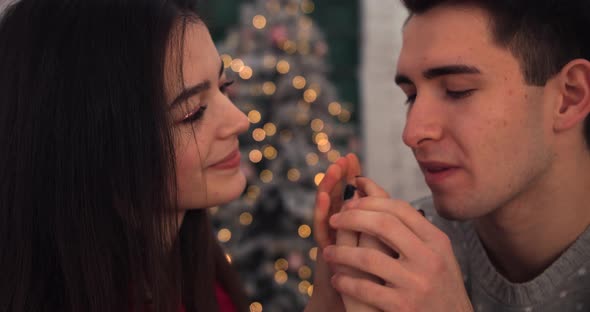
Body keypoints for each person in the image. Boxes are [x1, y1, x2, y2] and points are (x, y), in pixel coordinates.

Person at [0, 1, 339, 311]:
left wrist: (327, 297)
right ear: (93, 148)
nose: (239, 120)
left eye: (223, 87)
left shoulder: (195, 273)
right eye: (193, 112)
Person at [312, 0, 590, 311]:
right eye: (411, 97)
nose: (412, 133)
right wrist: (329, 298)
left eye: (458, 91)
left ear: (569, 96)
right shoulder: (398, 255)